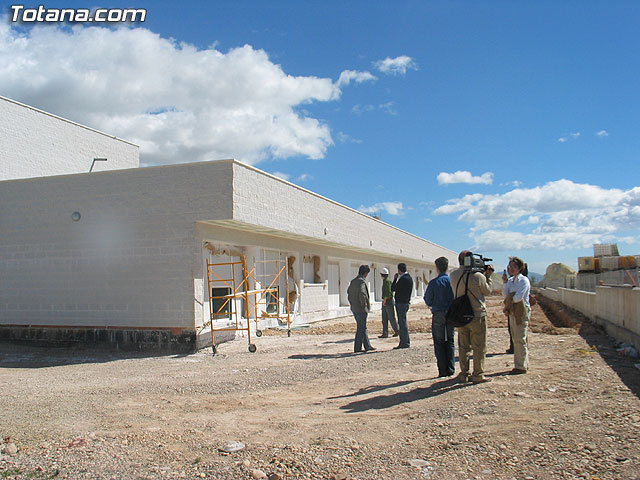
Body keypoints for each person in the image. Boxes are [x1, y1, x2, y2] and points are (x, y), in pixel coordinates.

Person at [449, 250, 494, 384]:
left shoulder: (453, 275)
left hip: (461, 315)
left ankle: (464, 374)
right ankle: (478, 374)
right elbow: (487, 291)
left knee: (463, 346)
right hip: (477, 314)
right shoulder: (478, 276)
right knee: (479, 346)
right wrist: (488, 276)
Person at [424, 257, 455, 377]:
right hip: (451, 313)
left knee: (439, 342)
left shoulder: (433, 283)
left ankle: (442, 370)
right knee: (450, 341)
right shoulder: (452, 282)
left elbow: (427, 299)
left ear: (437, 268)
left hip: (438, 314)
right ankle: (451, 368)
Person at [502, 257, 531, 374]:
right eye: (510, 266)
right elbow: (505, 295)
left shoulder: (523, 281)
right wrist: (504, 283)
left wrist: (510, 298)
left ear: (519, 268)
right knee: (516, 337)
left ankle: (520, 366)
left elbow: (518, 297)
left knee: (520, 337)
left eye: (513, 266)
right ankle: (522, 362)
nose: (511, 268)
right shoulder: (510, 281)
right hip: (513, 310)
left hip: (521, 310)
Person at [347, 265, 376, 353]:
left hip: (354, 307)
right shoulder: (361, 282)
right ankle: (357, 347)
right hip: (360, 308)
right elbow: (362, 294)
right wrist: (364, 304)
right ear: (366, 273)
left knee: (362, 327)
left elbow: (348, 292)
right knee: (361, 328)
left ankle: (367, 345)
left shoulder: (353, 281)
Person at [391, 263, 413, 349]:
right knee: (403, 322)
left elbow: (393, 288)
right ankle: (405, 341)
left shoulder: (403, 279)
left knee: (402, 323)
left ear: (399, 270)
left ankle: (404, 342)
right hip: (405, 302)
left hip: (401, 303)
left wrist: (395, 279)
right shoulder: (409, 278)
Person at [379, 267, 399, 338]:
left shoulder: (387, 282)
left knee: (391, 317)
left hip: (388, 301)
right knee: (384, 318)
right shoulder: (386, 281)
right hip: (386, 301)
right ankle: (385, 333)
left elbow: (388, 292)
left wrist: (384, 301)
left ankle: (397, 330)